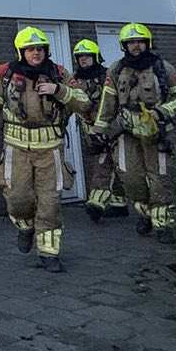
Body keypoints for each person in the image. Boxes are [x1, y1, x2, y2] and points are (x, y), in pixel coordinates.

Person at [0, 27, 92, 273]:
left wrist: (58, 90)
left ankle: (49, 253)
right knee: (17, 198)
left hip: (50, 149)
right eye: (30, 49)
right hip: (16, 148)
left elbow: (84, 102)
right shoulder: (5, 74)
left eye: (40, 49)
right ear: (21, 52)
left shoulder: (59, 74)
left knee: (50, 203)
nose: (36, 53)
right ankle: (25, 227)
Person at [91, 22, 176, 238]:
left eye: (140, 42)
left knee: (161, 178)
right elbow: (107, 103)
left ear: (148, 43)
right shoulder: (116, 70)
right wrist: (98, 130)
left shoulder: (163, 67)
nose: (136, 46)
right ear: (124, 46)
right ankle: (144, 212)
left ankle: (164, 225)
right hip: (127, 131)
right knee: (130, 177)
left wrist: (163, 111)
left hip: (158, 130)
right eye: (131, 42)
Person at [70, 39, 129, 224]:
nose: (84, 60)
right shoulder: (74, 79)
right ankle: (109, 203)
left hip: (113, 128)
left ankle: (107, 203)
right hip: (91, 131)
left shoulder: (107, 76)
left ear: (95, 57)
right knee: (103, 164)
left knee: (117, 165)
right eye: (80, 57)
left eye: (87, 56)